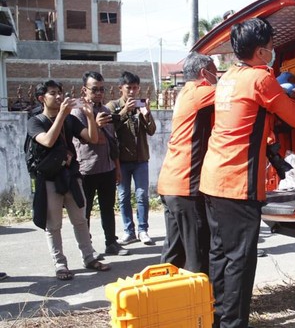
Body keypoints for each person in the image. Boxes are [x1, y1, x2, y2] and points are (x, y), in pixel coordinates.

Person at [199, 17, 295, 328]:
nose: (273, 51)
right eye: (271, 47)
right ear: (259, 52)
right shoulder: (260, 79)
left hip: (213, 178)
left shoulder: (229, 77)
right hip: (238, 182)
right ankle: (234, 324)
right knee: (240, 260)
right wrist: (286, 90)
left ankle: (217, 319)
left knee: (219, 254)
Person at [28, 80, 110, 280]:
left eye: (60, 93)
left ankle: (89, 258)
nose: (58, 96)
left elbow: (92, 138)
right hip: (49, 179)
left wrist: (90, 117)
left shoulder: (70, 120)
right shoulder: (35, 121)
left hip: (71, 176)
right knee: (53, 225)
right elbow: (47, 140)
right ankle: (60, 264)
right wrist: (62, 116)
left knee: (80, 220)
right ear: (42, 99)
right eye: (53, 93)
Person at [158, 53, 217, 275]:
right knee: (197, 252)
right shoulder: (199, 92)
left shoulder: (185, 93)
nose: (216, 78)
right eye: (215, 72)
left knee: (174, 252)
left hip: (170, 184)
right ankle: (200, 305)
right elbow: (236, 93)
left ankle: (164, 300)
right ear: (204, 73)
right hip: (185, 186)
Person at [72, 71, 129, 257]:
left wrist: (117, 167)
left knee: (108, 208)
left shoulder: (105, 110)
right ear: (84, 90)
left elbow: (112, 142)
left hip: (107, 167)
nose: (98, 93)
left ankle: (111, 243)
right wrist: (94, 124)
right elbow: (90, 139)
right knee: (85, 212)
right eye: (94, 89)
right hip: (86, 169)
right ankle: (88, 249)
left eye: (101, 89)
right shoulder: (77, 112)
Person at [106, 72, 157, 246]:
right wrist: (125, 111)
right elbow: (110, 128)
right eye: (129, 88)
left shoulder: (141, 105)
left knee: (142, 195)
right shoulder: (112, 106)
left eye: (135, 88)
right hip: (121, 160)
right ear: (121, 88)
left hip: (141, 159)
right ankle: (129, 231)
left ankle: (143, 230)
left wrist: (147, 114)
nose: (132, 92)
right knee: (123, 196)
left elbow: (151, 130)